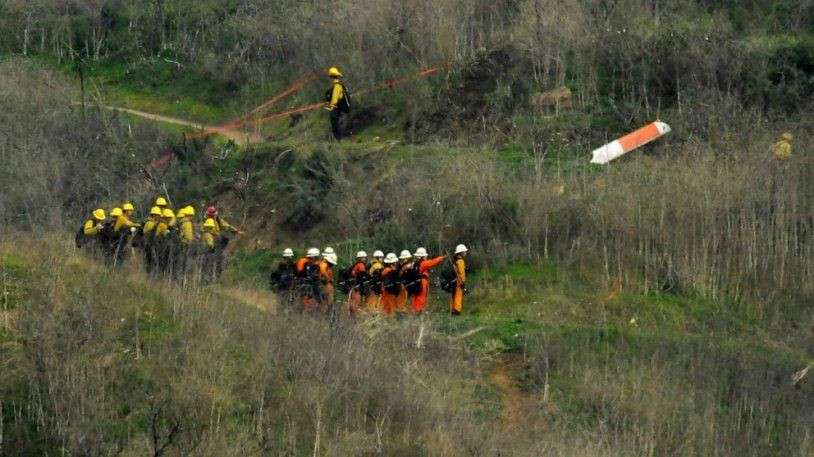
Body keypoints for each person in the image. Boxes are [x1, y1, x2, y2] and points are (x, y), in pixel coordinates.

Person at [411, 248, 446, 314]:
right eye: (425, 256)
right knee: (421, 297)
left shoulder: (414, 263)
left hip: (416, 281)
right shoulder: (423, 263)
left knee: (415, 296)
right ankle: (419, 311)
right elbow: (433, 262)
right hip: (422, 281)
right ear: (422, 256)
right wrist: (442, 258)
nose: (426, 257)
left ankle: (414, 311)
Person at [325, 67, 348, 141]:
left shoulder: (337, 85)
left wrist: (331, 106)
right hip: (336, 107)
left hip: (336, 107)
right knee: (334, 122)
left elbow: (335, 97)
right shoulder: (336, 85)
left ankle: (338, 139)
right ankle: (337, 138)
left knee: (334, 123)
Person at [296, 248, 321, 313]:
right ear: (314, 257)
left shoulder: (304, 263)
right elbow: (314, 276)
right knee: (312, 298)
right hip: (309, 285)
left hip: (302, 284)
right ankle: (309, 310)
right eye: (316, 257)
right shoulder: (314, 265)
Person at [140, 206, 162, 273]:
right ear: (154, 215)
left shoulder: (153, 222)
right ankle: (148, 273)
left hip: (150, 244)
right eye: (158, 215)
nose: (159, 217)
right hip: (148, 245)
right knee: (149, 260)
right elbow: (152, 234)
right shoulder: (150, 223)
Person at [347, 251, 369, 316]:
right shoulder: (360, 265)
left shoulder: (355, 265)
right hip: (357, 286)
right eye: (364, 258)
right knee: (356, 302)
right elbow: (363, 273)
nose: (365, 259)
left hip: (353, 285)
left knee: (353, 301)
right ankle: (357, 315)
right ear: (360, 258)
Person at [379, 253, 399, 317]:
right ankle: (387, 317)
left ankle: (386, 316)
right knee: (388, 305)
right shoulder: (388, 270)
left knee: (386, 304)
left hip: (387, 289)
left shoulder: (387, 269)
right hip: (387, 290)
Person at [450, 244, 468, 315]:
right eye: (464, 252)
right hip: (458, 281)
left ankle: (452, 310)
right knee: (458, 295)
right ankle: (457, 311)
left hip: (453, 280)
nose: (465, 253)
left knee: (453, 295)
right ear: (461, 252)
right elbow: (461, 273)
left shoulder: (455, 260)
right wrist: (462, 282)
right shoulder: (460, 261)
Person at [395, 250, 413, 316]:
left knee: (402, 300)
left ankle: (401, 311)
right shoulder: (406, 266)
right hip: (403, 285)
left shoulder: (399, 265)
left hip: (402, 284)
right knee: (402, 299)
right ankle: (402, 312)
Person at [200, 218, 218, 282]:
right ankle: (207, 280)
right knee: (207, 266)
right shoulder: (208, 235)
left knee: (204, 267)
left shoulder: (204, 234)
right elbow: (210, 244)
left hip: (204, 252)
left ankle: (204, 279)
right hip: (207, 252)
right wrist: (215, 246)